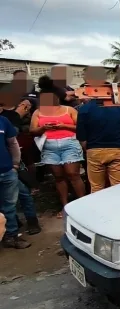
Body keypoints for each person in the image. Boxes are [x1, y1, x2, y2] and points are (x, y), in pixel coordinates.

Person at [30, 76, 85, 218]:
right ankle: (65, 207)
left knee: (73, 175)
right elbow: (32, 131)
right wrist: (43, 128)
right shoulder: (38, 112)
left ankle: (83, 204)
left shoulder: (69, 110)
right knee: (59, 177)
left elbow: (81, 127)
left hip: (69, 144)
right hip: (49, 146)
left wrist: (63, 126)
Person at [76, 99, 120, 193]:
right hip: (117, 150)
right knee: (119, 187)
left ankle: (98, 207)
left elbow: (82, 138)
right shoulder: (119, 108)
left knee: (96, 187)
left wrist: (88, 150)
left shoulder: (84, 109)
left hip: (95, 151)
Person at [0, 114, 31, 248]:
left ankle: (11, 237)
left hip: (7, 171)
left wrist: (15, 164)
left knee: (9, 206)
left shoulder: (3, 120)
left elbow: (13, 143)